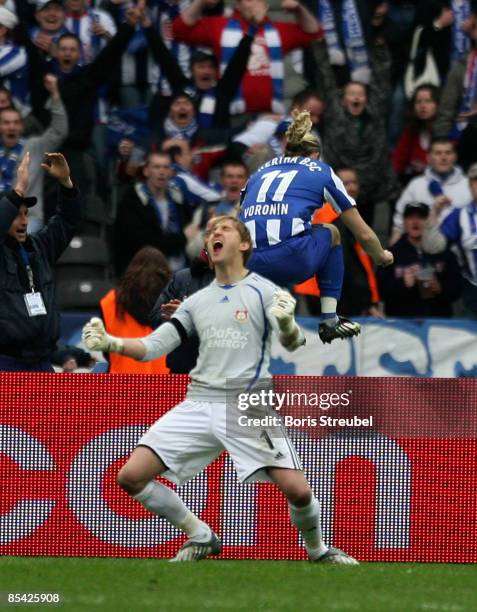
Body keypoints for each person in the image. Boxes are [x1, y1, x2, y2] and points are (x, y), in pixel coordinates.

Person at [82, 215, 358, 565]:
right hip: (199, 402)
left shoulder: (265, 291)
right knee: (131, 477)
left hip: (247, 404)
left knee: (299, 491)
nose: (214, 233)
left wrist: (287, 322)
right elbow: (153, 346)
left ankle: (319, 550)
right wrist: (111, 342)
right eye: (210, 230)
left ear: (244, 245)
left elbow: (293, 342)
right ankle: (200, 535)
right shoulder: (196, 300)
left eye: (223, 229)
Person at [239, 110, 393, 344]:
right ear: (315, 154)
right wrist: (381, 255)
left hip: (248, 264)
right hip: (291, 259)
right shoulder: (320, 171)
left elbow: (239, 219)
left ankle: (270, 314)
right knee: (331, 232)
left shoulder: (258, 173)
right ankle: (330, 320)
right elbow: (363, 233)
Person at [0, 151, 81, 371]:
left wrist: (65, 183)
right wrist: (19, 188)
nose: (24, 221)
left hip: (41, 362)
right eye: (17, 214)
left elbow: (67, 220)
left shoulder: (40, 247)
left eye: (26, 214)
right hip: (6, 363)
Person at [378, 202, 461, 318]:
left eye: (421, 217)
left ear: (428, 221)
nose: (415, 222)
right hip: (402, 324)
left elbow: (458, 288)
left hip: (438, 323)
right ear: (404, 222)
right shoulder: (391, 254)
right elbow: (379, 291)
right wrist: (403, 283)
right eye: (410, 217)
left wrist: (440, 288)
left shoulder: (443, 251)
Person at [100, 247, 172, 374]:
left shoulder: (110, 302)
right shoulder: (175, 302)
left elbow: (106, 350)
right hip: (166, 387)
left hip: (120, 386)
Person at [422, 162, 477, 318]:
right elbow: (432, 247)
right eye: (476, 181)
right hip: (474, 297)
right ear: (470, 185)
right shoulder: (460, 216)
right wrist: (435, 212)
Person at [391, 138, 472, 243]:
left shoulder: (468, 185)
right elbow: (399, 224)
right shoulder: (416, 185)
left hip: (461, 250)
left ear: (455, 156)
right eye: (438, 153)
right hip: (422, 249)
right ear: (428, 158)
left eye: (448, 153)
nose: (443, 157)